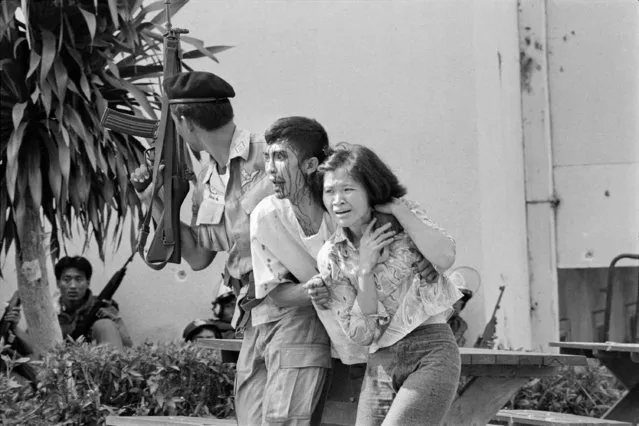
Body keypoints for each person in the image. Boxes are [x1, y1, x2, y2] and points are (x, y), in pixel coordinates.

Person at [242, 117, 443, 425]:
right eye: (266, 157)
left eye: (280, 157)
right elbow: (275, 293)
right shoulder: (265, 217)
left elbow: (426, 253)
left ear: (310, 164)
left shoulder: (352, 207)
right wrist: (313, 290)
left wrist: (425, 259)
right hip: (350, 341)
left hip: (403, 342)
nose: (268, 168)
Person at [315, 143, 463, 426]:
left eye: (348, 189)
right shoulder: (332, 256)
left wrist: (397, 206)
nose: (337, 200)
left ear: (370, 188)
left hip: (431, 350)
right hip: (381, 361)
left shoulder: (404, 220)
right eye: (329, 191)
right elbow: (361, 334)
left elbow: (445, 257)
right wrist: (364, 271)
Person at [130, 71, 273, 331]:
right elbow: (198, 256)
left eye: (174, 123)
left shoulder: (269, 156)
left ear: (185, 122)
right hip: (248, 311)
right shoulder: (206, 179)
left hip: (288, 304)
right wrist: (152, 199)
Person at [55, 256, 133, 351]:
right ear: (58, 283)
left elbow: (128, 344)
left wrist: (114, 320)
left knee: (104, 324)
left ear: (88, 282)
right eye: (67, 280)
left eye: (78, 279)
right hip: (59, 361)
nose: (73, 286)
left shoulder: (104, 307)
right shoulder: (51, 313)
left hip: (98, 360)